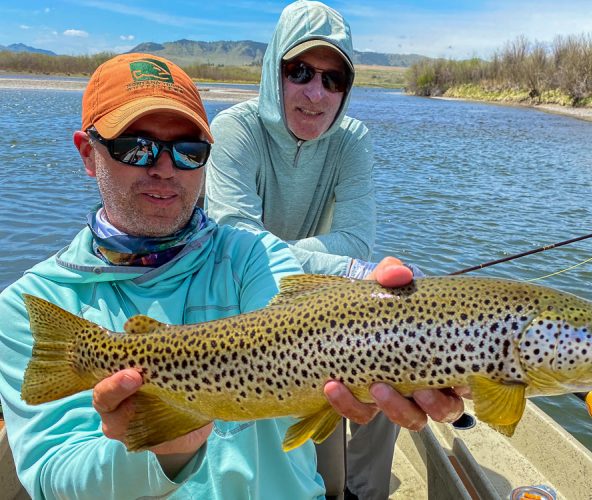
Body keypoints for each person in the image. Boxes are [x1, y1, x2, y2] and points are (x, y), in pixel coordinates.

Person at [0, 52, 464, 499]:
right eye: (136, 148)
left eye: (187, 151)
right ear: (88, 154)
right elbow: (51, 478)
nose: (165, 169)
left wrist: (405, 334)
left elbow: (299, 324)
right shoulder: (31, 305)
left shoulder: (254, 257)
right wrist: (159, 448)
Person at [205, 2, 419, 498]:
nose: (315, 93)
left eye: (333, 78)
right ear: (272, 69)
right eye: (299, 71)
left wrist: (310, 268)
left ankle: (365, 492)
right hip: (243, 295)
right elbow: (235, 241)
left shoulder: (353, 139)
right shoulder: (235, 129)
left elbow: (356, 241)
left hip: (325, 294)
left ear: (346, 87)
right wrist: (333, 266)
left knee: (397, 325)